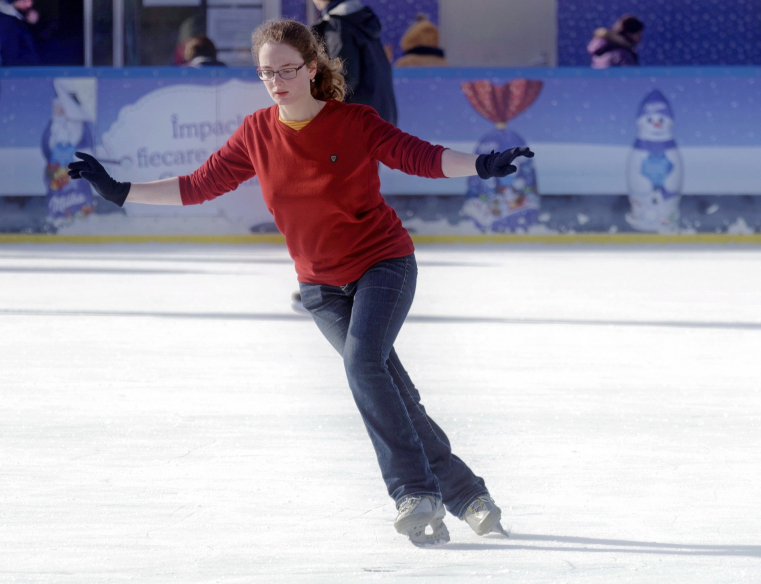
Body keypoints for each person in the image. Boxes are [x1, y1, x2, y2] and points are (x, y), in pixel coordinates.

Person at [68, 19, 532, 548]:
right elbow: (199, 185)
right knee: (391, 389)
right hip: (320, 288)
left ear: (312, 68)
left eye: (287, 69)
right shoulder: (256, 133)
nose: (277, 81)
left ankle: (413, 492)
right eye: (268, 72)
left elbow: (418, 156)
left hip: (383, 264)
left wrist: (482, 164)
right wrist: (121, 191)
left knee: (363, 365)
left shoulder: (354, 121)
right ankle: (468, 495)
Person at [311, 0, 397, 126]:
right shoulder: (360, 19)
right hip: (380, 119)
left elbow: (343, 78)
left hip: (358, 123)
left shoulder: (339, 24)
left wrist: (317, 106)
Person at [0, 0, 39, 66]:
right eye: (24, 1)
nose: (29, 4)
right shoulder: (6, 23)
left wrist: (31, 24)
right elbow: (10, 57)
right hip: (18, 72)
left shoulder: (18, 16)